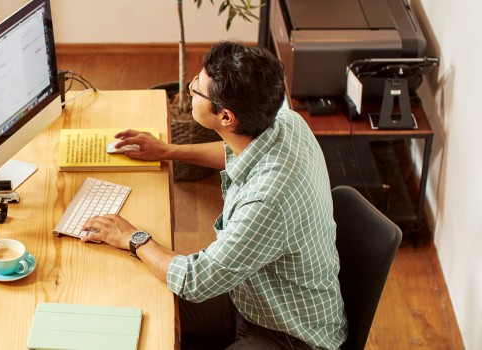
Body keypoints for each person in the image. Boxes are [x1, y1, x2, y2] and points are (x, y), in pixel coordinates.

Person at [82, 41, 347, 349]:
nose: (191, 86)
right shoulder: (286, 121)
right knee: (135, 299)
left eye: (198, 88)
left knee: (148, 279)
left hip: (288, 333)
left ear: (226, 118)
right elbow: (234, 152)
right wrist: (167, 151)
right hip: (251, 295)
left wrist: (133, 237)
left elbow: (195, 280)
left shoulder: (267, 200)